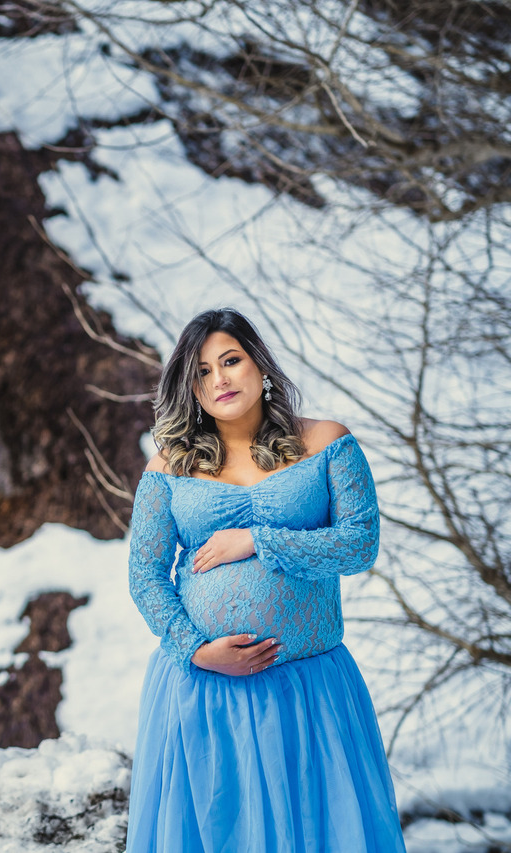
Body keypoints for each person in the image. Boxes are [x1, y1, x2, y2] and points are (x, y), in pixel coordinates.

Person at [125, 307, 406, 852]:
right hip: (205, 691)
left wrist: (259, 539)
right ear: (191, 389)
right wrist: (197, 651)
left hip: (308, 689)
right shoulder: (169, 467)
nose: (220, 379)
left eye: (230, 361)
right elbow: (145, 574)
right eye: (202, 372)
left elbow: (358, 544)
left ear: (261, 365)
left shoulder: (327, 442)